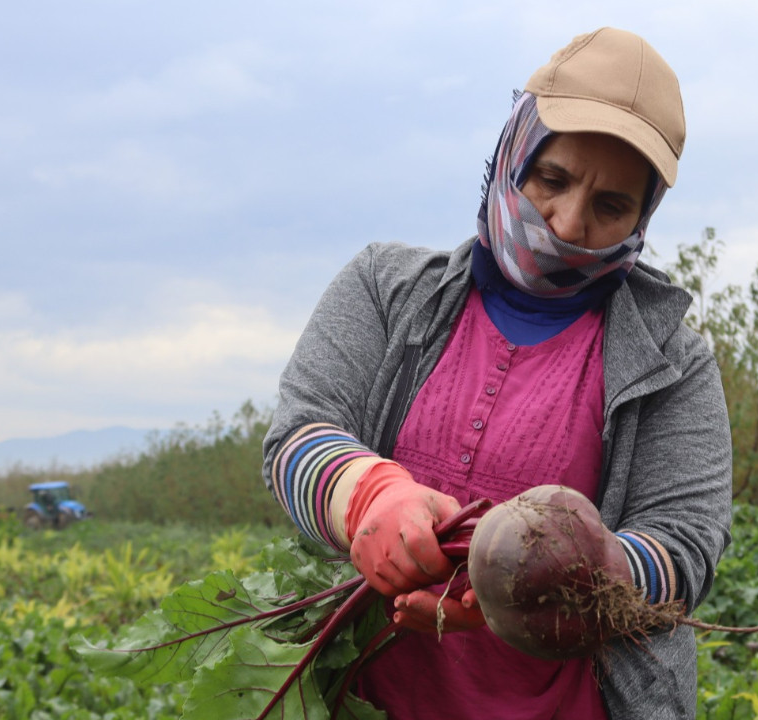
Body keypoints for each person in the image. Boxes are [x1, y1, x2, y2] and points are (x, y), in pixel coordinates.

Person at [262, 27, 732, 720]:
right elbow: (297, 438)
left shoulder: (674, 365)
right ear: (515, 153)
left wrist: (557, 584)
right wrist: (368, 497)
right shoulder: (384, 290)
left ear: (644, 214)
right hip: (367, 699)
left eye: (611, 206)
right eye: (553, 179)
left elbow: (683, 551)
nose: (569, 223)